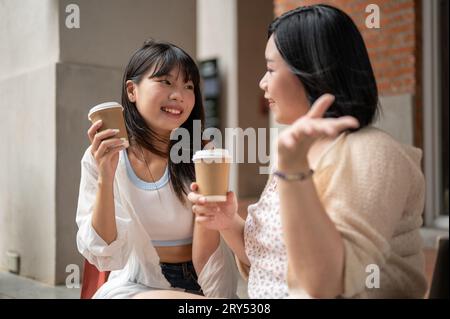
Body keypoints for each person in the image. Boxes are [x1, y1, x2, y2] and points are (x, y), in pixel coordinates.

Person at [136, 4, 428, 299]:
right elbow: (270, 261)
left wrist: (294, 172)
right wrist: (226, 221)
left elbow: (328, 285)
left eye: (271, 69)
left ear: (314, 72)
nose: (263, 83)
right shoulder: (303, 151)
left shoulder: (373, 153)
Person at [76, 39, 237, 299]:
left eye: (188, 86)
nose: (179, 95)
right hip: (137, 284)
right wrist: (106, 175)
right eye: (166, 82)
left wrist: (211, 297)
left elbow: (206, 248)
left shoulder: (204, 153)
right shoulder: (103, 156)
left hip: (203, 280)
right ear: (132, 90)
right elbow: (104, 254)